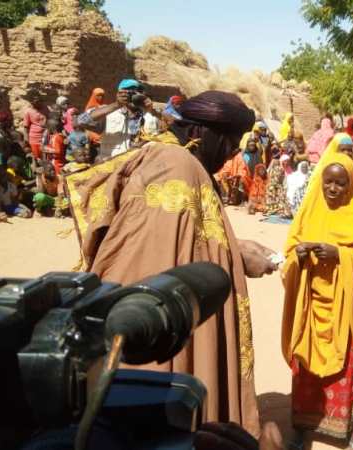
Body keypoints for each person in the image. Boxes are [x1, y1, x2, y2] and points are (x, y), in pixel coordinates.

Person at [64, 90, 278, 435]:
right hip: (146, 338)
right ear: (198, 133)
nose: (233, 152)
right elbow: (159, 257)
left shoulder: (166, 157)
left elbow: (184, 239)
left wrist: (236, 250)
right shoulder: (176, 166)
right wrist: (234, 259)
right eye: (229, 141)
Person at [281, 147, 353, 449]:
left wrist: (341, 255)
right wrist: (298, 257)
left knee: (344, 367)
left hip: (344, 308)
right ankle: (302, 425)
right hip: (311, 304)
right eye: (328, 182)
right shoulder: (309, 209)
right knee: (306, 368)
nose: (333, 188)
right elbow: (288, 253)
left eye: (340, 183)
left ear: (351, 184)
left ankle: (346, 427)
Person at [77, 79, 160, 159]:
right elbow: (81, 121)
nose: (134, 96)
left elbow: (164, 135)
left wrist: (151, 111)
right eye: (130, 92)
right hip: (112, 167)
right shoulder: (109, 114)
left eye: (138, 92)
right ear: (120, 94)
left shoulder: (150, 116)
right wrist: (117, 104)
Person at [23, 95, 50, 160]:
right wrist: (26, 139)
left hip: (46, 136)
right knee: (37, 157)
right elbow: (26, 127)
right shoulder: (28, 111)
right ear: (31, 102)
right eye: (36, 101)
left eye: (40, 101)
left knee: (46, 156)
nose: (39, 103)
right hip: (34, 138)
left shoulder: (46, 108)